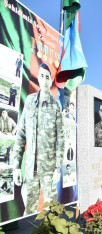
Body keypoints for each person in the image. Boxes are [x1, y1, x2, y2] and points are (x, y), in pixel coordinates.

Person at [13, 63, 65, 215]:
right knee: (28, 210)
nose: (44, 79)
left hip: (48, 169)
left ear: (50, 81)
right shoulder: (29, 101)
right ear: (39, 79)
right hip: (30, 169)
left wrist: (57, 168)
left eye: (47, 77)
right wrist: (17, 166)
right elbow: (21, 134)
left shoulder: (55, 106)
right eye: (41, 76)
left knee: (52, 211)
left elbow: (60, 139)